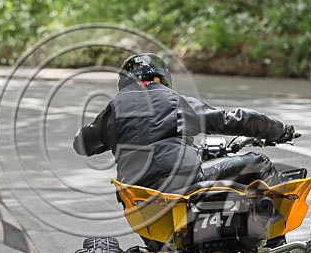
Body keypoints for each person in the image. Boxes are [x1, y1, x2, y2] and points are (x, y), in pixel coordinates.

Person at [73, 53, 298, 194]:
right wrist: (280, 131)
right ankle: (275, 242)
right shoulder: (174, 101)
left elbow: (81, 144)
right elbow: (236, 119)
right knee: (259, 162)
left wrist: (111, 134)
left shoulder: (114, 109)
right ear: (162, 78)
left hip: (139, 195)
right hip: (182, 181)